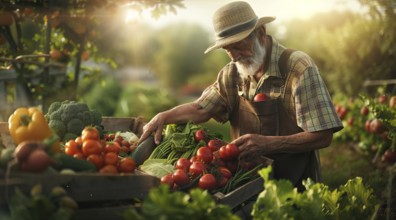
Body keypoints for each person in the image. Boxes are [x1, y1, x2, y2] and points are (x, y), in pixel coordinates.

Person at [139, 1, 343, 191]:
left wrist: (269, 143)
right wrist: (164, 116)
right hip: (245, 182)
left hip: (294, 183)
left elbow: (323, 135)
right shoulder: (232, 73)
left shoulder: (297, 68)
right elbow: (200, 109)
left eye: (238, 46)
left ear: (261, 33)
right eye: (228, 50)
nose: (234, 56)